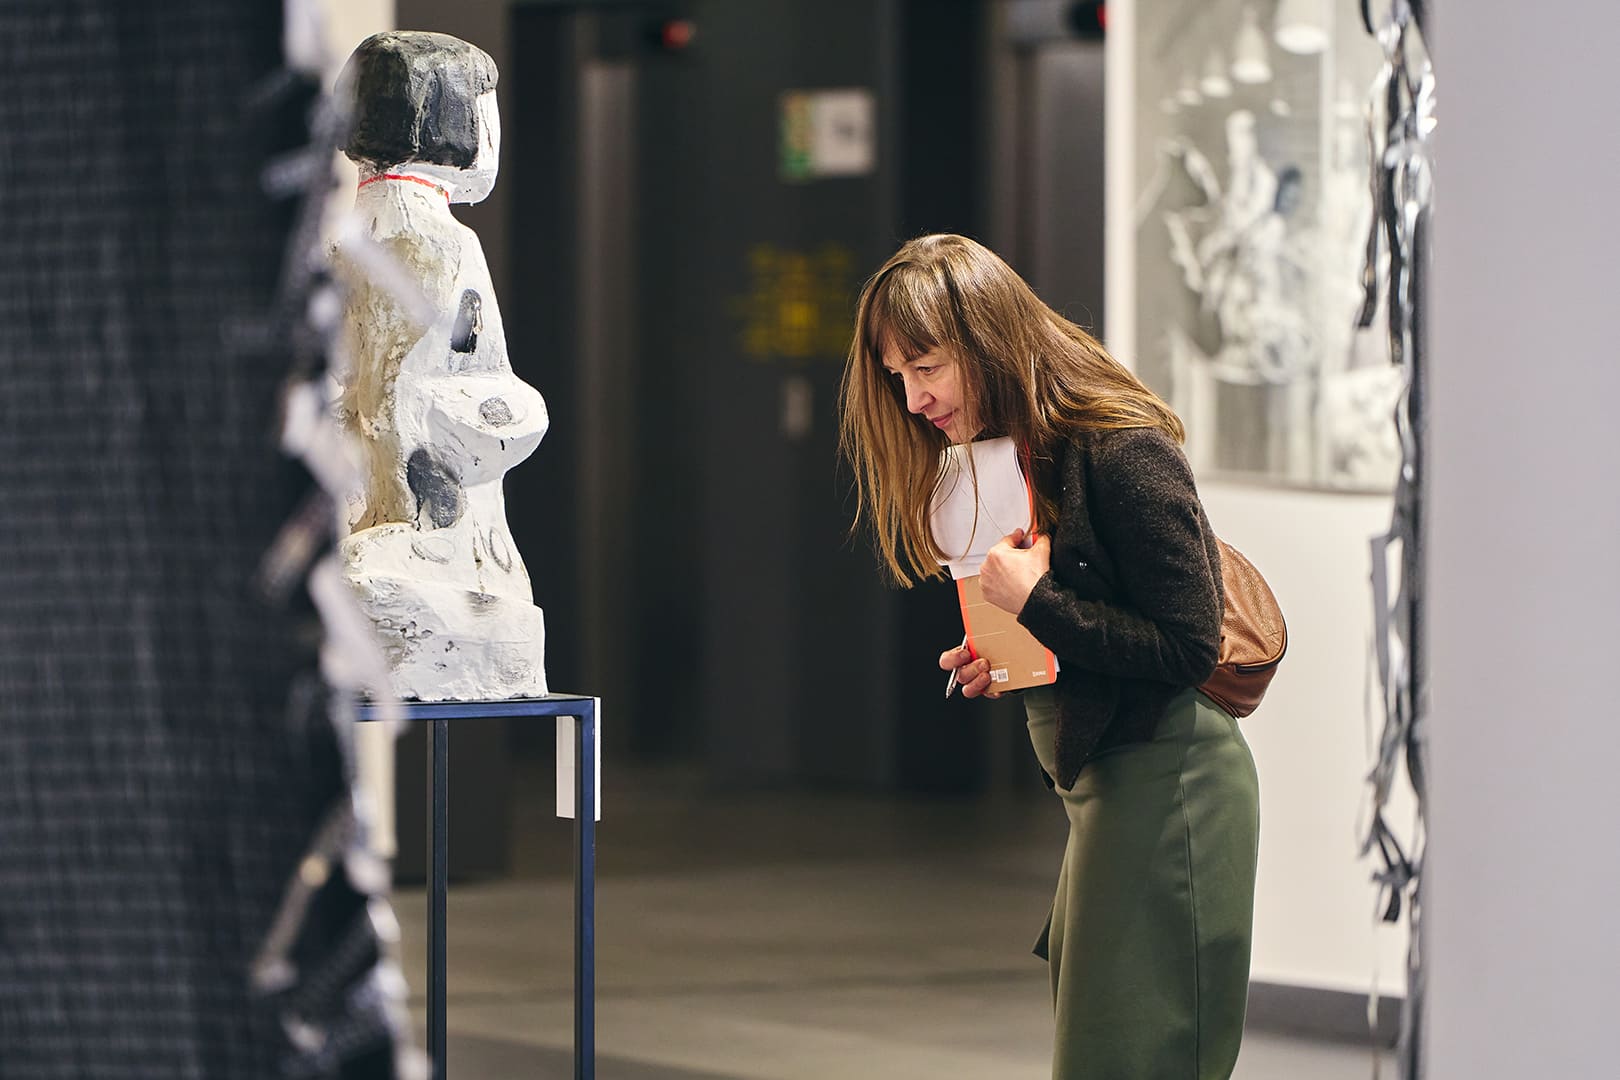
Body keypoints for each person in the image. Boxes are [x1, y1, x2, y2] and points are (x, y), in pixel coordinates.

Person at [837, 234, 1260, 1079]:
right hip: (1109, 788)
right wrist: (1011, 654)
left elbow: (1187, 647)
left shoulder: (1122, 446)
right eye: (898, 376)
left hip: (1171, 785)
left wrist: (1037, 604)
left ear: (986, 340)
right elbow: (1097, 636)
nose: (914, 399)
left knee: (1126, 1056)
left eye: (926, 367)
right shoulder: (1022, 457)